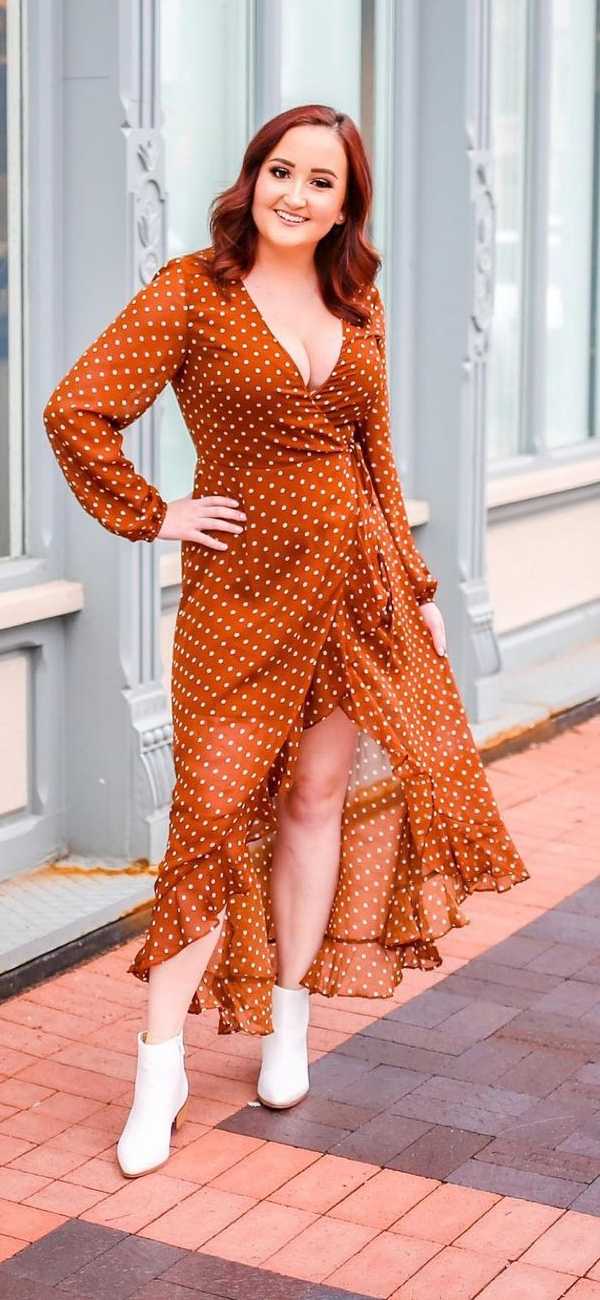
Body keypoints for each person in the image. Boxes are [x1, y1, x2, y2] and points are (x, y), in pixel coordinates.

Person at [43, 103, 530, 1179]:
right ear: (251, 177)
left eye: (322, 181)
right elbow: (77, 409)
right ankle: (159, 1060)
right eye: (280, 171)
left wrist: (419, 584)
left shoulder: (359, 307)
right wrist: (153, 511)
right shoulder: (191, 289)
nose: (296, 194)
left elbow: (376, 458)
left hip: (356, 587)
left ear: (347, 203)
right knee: (211, 820)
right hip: (239, 597)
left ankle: (291, 1019)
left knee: (315, 802)